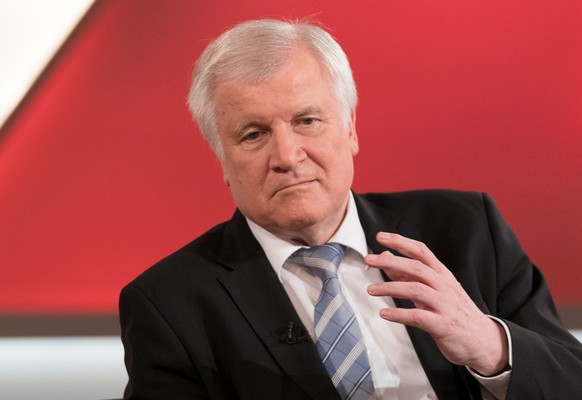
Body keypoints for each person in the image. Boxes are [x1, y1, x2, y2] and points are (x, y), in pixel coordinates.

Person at [119, 19, 582, 399]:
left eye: (307, 121)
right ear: (222, 158)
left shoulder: (466, 230)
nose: (286, 155)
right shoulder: (170, 304)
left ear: (351, 130)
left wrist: (491, 346)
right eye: (254, 134)